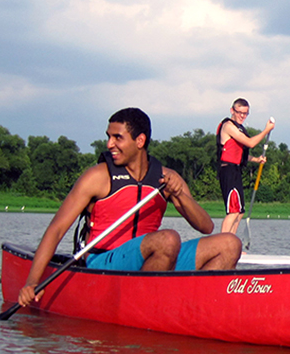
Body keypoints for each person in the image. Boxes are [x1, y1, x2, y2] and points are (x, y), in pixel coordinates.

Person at [17, 107, 241, 308]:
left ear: (140, 141)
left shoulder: (166, 177)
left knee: (229, 244)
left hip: (154, 258)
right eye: (109, 137)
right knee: (168, 239)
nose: (109, 144)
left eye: (117, 138)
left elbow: (206, 226)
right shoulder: (97, 177)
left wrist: (179, 194)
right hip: (104, 261)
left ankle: (198, 307)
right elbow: (56, 230)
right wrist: (32, 282)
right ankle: (146, 305)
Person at [216, 98, 275, 234]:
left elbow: (238, 154)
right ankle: (223, 242)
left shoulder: (239, 129)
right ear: (232, 111)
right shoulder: (228, 126)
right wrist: (266, 130)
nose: (242, 116)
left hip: (236, 170)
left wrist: (256, 159)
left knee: (240, 212)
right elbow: (250, 143)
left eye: (245, 113)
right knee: (233, 211)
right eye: (239, 112)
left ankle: (231, 240)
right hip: (228, 170)